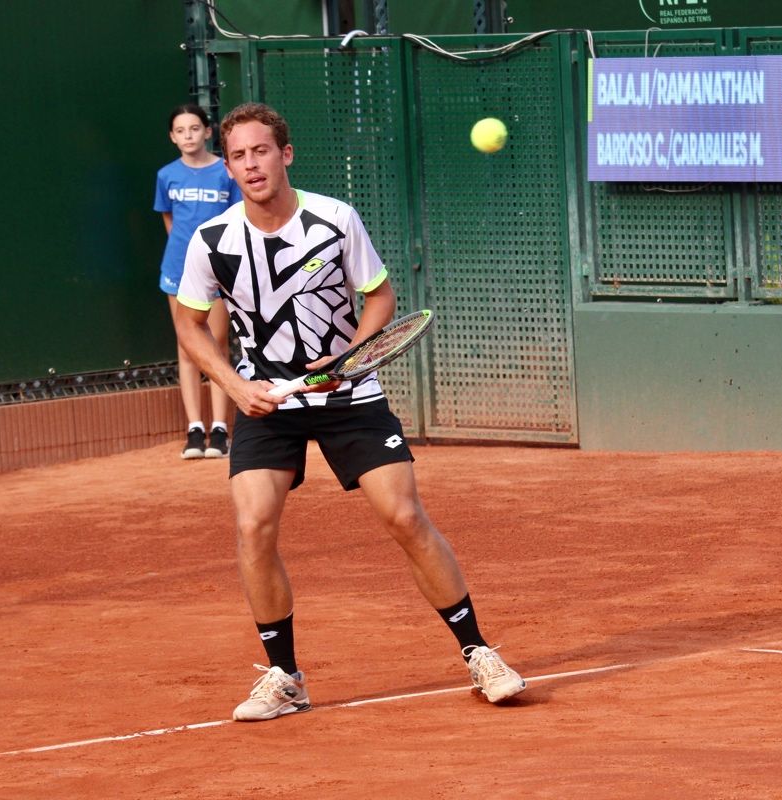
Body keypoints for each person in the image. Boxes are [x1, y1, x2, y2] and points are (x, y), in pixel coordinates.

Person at [173, 102, 526, 721]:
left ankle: (480, 653)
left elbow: (380, 296)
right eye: (238, 156)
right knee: (254, 524)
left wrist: (353, 358)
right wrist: (233, 385)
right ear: (227, 168)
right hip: (265, 401)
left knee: (404, 516)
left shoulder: (334, 219)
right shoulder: (212, 240)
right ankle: (285, 677)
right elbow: (190, 324)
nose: (251, 164)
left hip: (347, 396)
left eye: (261, 151)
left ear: (285, 155)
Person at [154, 104, 241, 459]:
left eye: (194, 128)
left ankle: (220, 428)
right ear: (172, 137)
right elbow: (169, 221)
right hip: (177, 269)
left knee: (217, 344)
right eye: (180, 130)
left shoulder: (224, 171)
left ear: (208, 132)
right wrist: (184, 258)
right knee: (187, 345)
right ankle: (194, 429)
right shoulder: (166, 175)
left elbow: (235, 219)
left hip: (218, 269)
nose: (188, 136)